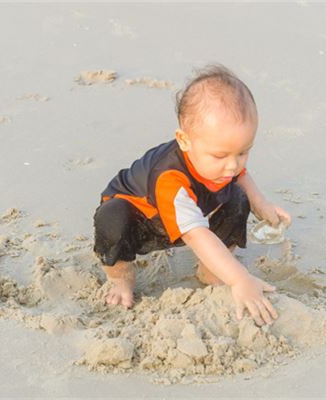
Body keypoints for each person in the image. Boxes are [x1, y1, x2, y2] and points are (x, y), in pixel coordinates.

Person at [93, 64, 291, 326]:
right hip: (141, 220)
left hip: (185, 210)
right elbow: (196, 235)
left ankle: (212, 272)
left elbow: (241, 176)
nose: (233, 165)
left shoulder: (223, 163)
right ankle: (121, 279)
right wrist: (240, 279)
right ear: (184, 141)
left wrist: (261, 204)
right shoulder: (169, 179)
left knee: (238, 199)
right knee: (111, 218)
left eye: (243, 152)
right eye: (221, 155)